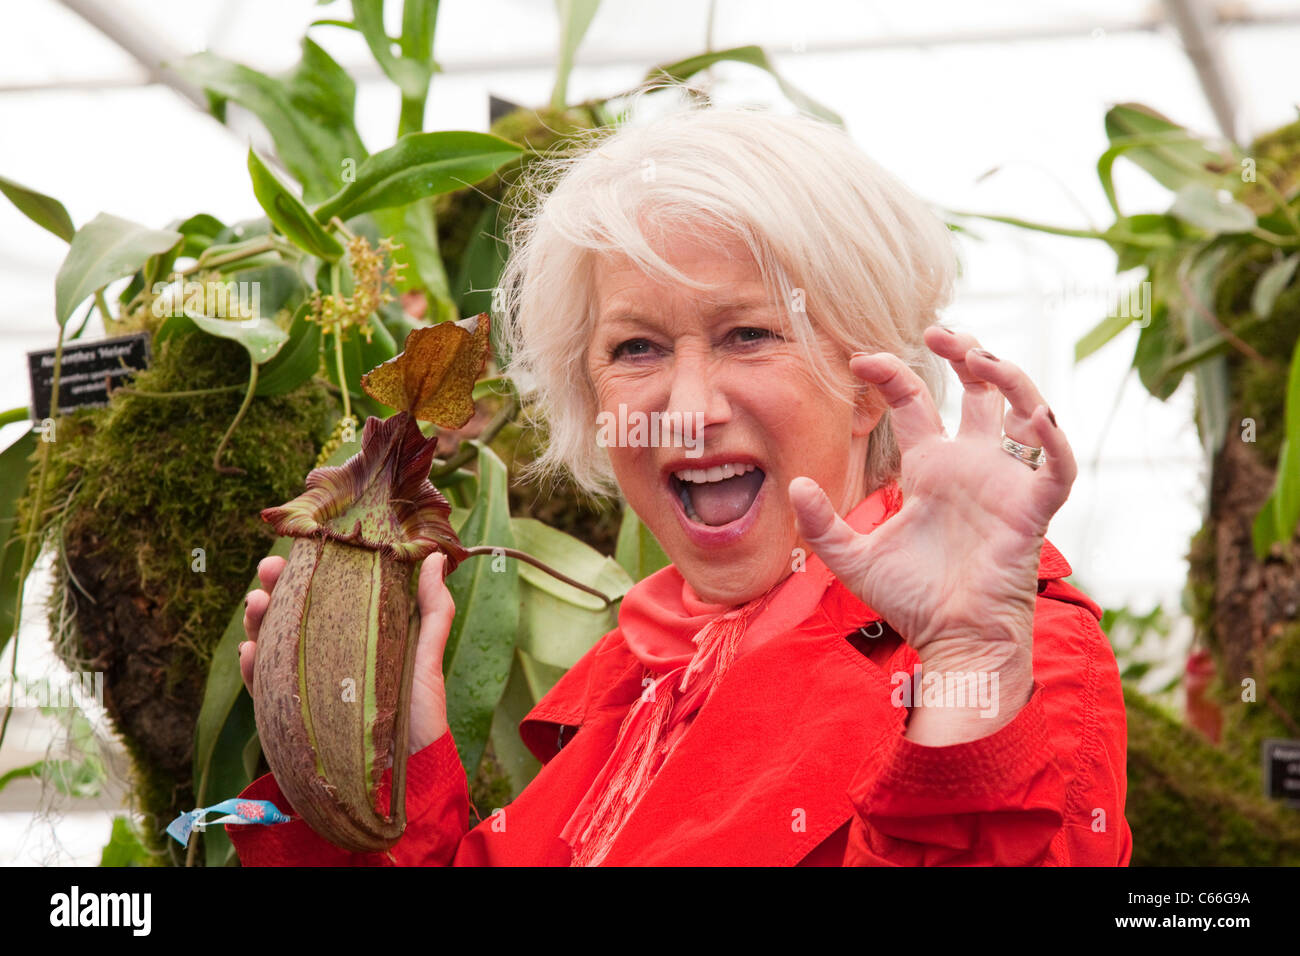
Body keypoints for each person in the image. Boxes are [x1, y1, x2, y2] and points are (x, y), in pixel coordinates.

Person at [230, 99, 1132, 866]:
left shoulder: (999, 657)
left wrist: (971, 660)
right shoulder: (645, 673)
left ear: (866, 388)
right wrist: (374, 761)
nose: (687, 407)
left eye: (749, 335)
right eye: (636, 348)